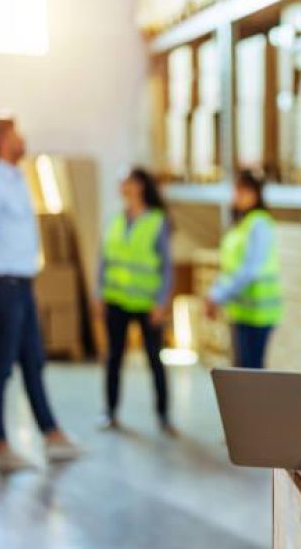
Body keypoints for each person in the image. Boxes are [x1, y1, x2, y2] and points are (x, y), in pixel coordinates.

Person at [0, 113, 81, 473]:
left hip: (21, 284)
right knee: (1, 366)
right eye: (16, 135)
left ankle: (52, 435)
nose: (23, 139)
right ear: (2, 141)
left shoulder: (16, 178)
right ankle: (0, 445)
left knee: (33, 360)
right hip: (0, 285)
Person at [96, 168, 174, 433]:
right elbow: (104, 260)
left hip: (146, 303)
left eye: (127, 181)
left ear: (139, 186)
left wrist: (161, 302)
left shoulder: (157, 221)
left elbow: (166, 266)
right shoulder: (115, 219)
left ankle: (163, 416)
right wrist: (98, 293)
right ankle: (110, 412)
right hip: (116, 300)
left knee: (154, 360)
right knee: (113, 358)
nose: (122, 186)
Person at [205, 170, 282, 370]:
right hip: (240, 310)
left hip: (258, 312)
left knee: (251, 373)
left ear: (255, 193)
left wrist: (218, 295)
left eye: (242, 190)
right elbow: (230, 268)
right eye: (236, 190)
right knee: (241, 370)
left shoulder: (259, 223)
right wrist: (216, 293)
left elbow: (250, 269)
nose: (237, 195)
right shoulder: (241, 224)